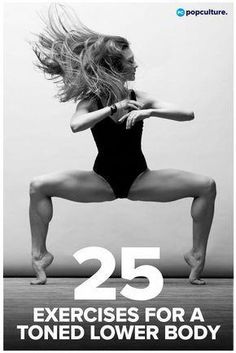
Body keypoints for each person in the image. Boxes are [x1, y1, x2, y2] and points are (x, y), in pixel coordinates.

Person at [30, 4, 216, 286]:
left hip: (141, 179)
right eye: (130, 62)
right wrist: (112, 108)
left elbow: (188, 114)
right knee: (38, 186)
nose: (136, 65)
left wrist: (149, 111)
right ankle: (40, 255)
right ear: (114, 67)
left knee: (206, 186)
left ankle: (196, 255)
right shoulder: (92, 100)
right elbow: (76, 125)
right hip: (100, 181)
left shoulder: (139, 96)